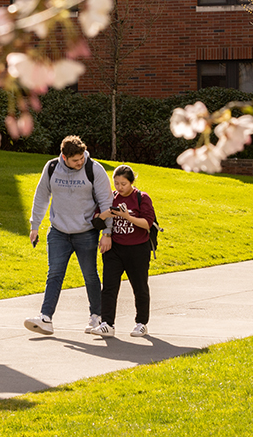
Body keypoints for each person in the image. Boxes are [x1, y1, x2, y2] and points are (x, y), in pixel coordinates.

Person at [24, 135, 113, 336]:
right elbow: (41, 196)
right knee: (54, 274)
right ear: (64, 157)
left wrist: (107, 232)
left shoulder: (94, 169)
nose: (80, 162)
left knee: (90, 275)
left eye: (82, 158)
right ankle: (46, 318)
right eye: (75, 160)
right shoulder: (52, 168)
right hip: (58, 232)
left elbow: (107, 202)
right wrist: (35, 225)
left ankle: (96, 317)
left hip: (86, 233)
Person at [90, 164, 158, 338]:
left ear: (132, 182)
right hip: (115, 249)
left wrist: (128, 216)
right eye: (116, 183)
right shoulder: (110, 197)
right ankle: (107, 324)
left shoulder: (141, 198)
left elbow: (147, 224)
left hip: (138, 249)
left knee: (139, 286)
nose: (119, 188)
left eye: (123, 184)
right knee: (110, 287)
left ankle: (141, 323)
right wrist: (105, 215)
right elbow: (96, 221)